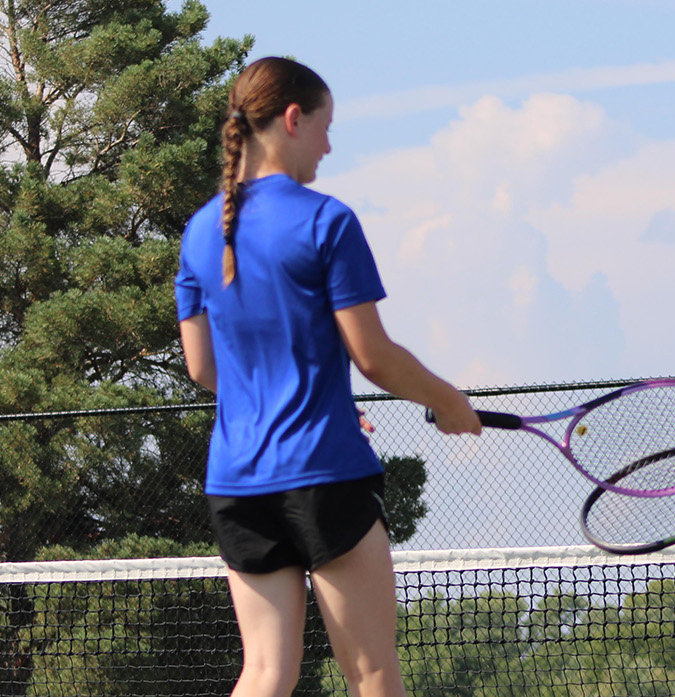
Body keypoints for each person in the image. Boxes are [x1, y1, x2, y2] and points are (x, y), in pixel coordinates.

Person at [175, 56, 482, 697]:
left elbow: (202, 368)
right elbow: (373, 356)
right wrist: (450, 401)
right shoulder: (327, 221)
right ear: (293, 119)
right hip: (324, 474)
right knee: (370, 670)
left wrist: (308, 400)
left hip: (236, 482)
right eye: (325, 127)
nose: (329, 145)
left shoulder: (201, 232)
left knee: (264, 672)